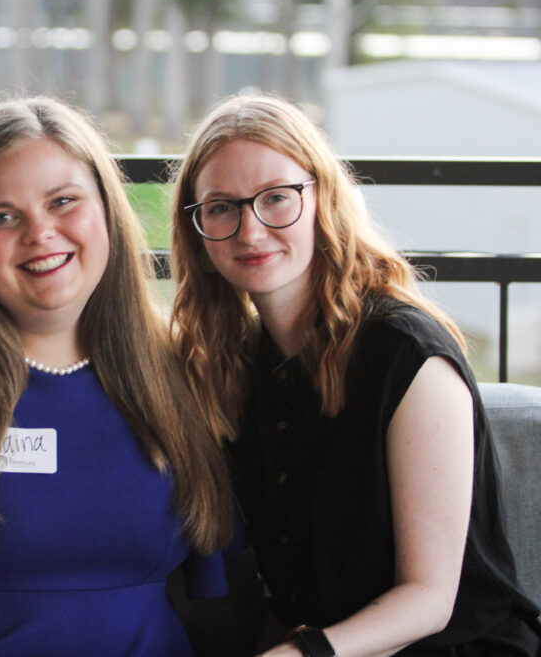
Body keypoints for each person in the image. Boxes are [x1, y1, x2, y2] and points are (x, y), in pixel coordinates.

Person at [170, 93, 541, 656]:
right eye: (222, 207)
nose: (250, 230)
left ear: (324, 197)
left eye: (276, 198)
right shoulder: (239, 363)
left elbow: (430, 599)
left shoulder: (407, 352)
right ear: (197, 229)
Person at [0, 96, 235, 656]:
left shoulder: (185, 367)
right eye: (0, 216)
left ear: (107, 210)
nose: (40, 233)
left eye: (63, 201)